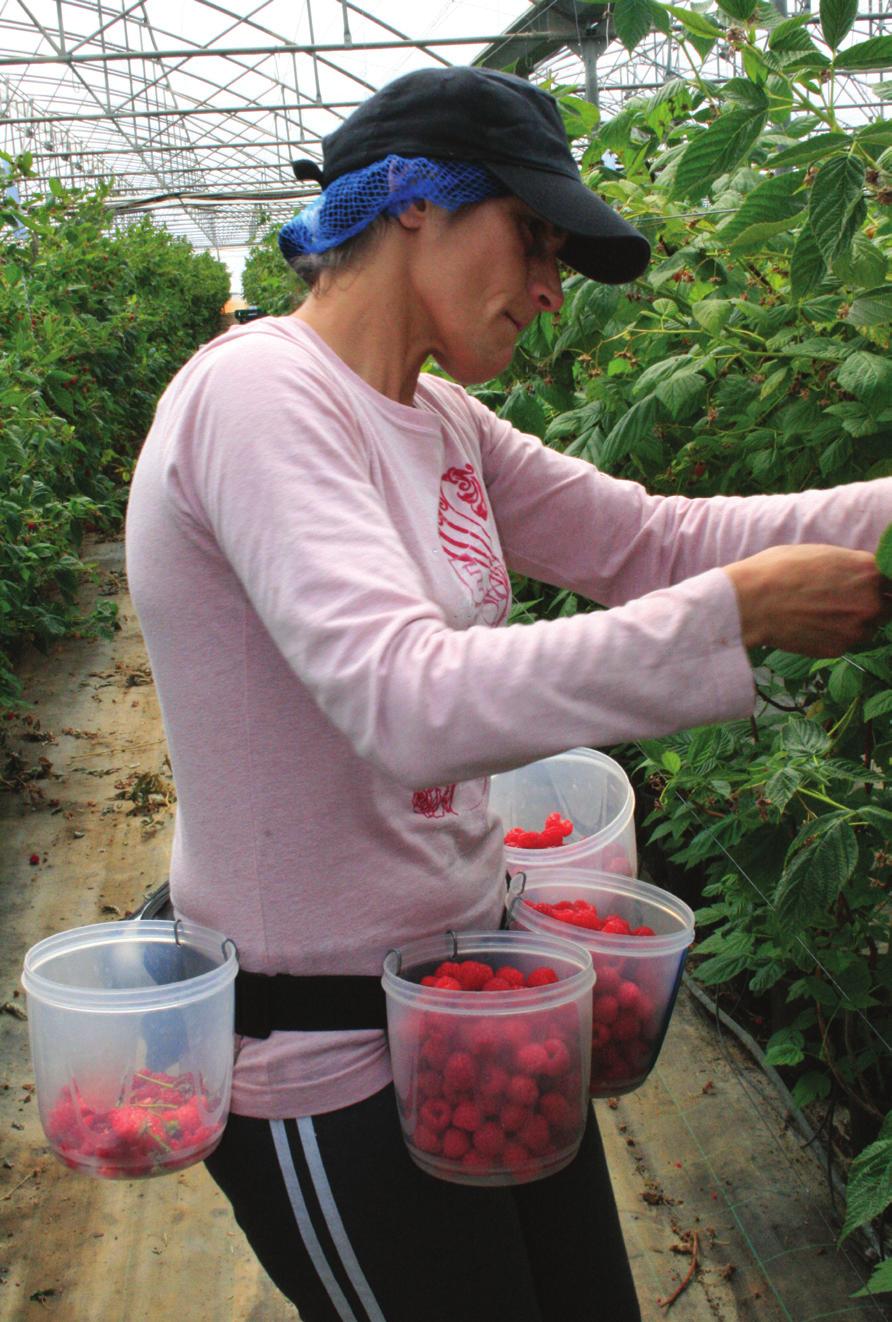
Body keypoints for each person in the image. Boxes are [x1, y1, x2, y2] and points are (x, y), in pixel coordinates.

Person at [125, 65, 890, 1322]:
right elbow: (404, 699)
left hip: (470, 1006)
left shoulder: (439, 420)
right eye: (532, 239)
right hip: (327, 1057)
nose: (549, 288)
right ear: (413, 202)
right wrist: (738, 614)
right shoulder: (259, 394)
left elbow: (654, 538)